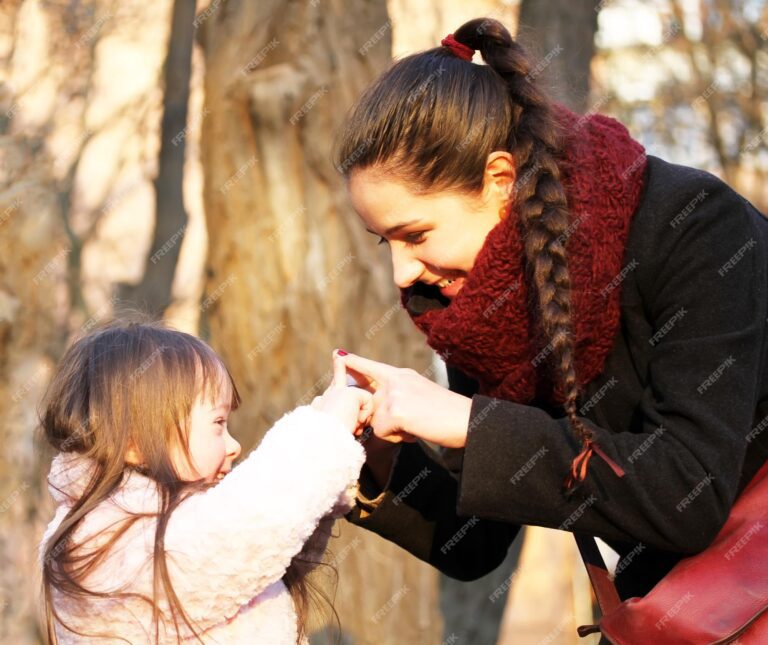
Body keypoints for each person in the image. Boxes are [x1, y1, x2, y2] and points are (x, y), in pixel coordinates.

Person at [331, 15, 768, 615]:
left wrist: (470, 422)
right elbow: (475, 543)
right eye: (387, 242)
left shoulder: (694, 226)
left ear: (500, 180)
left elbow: (687, 492)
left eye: (416, 234)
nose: (403, 275)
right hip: (681, 616)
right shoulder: (474, 306)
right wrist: (380, 458)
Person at [38, 320, 371, 644]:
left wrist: (334, 439)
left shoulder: (174, 524)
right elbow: (238, 538)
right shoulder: (100, 539)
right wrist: (323, 434)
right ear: (134, 443)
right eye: (218, 422)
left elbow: (271, 551)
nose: (233, 445)